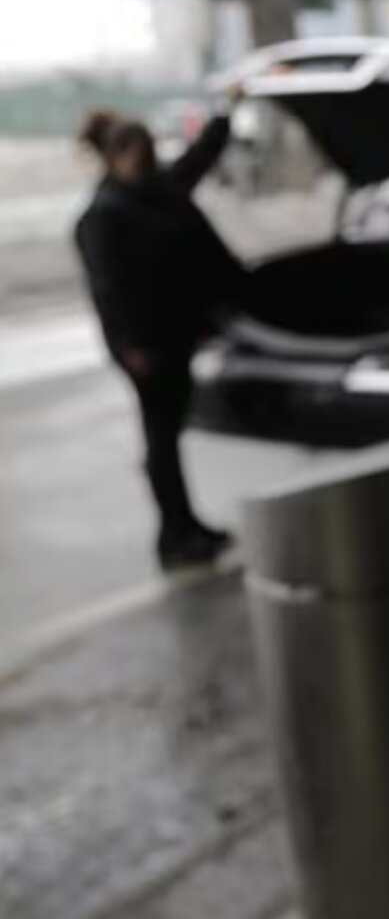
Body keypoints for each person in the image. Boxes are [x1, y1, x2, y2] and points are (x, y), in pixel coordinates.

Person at [74, 99, 245, 571]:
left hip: (172, 336)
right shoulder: (104, 215)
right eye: (137, 155)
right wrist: (130, 346)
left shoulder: (155, 192)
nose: (145, 162)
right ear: (116, 157)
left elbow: (199, 158)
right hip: (145, 347)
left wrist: (225, 115)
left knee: (168, 435)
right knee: (161, 440)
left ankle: (186, 526)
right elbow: (109, 290)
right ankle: (174, 535)